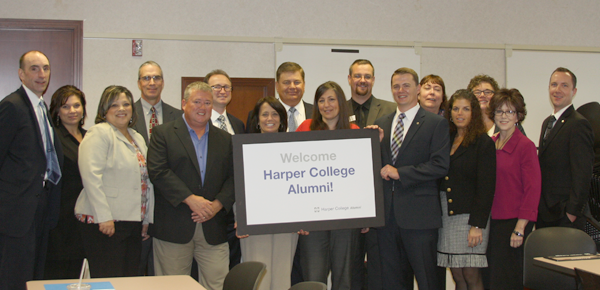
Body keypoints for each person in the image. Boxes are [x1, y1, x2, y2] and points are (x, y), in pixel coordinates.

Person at [147, 81, 234, 290]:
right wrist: (191, 199)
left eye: (207, 102)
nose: (202, 107)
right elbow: (158, 172)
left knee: (219, 284)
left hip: (213, 227)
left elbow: (234, 178)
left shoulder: (225, 139)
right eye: (197, 102)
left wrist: (217, 205)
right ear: (184, 103)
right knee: (172, 287)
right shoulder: (163, 133)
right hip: (173, 227)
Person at [374, 67, 450, 290]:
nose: (401, 90)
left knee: (428, 280)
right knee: (392, 282)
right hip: (387, 219)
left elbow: (440, 166)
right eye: (396, 86)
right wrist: (370, 143)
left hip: (420, 219)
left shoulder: (435, 123)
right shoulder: (382, 123)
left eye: (406, 85)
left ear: (417, 89)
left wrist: (402, 173)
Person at [74, 85, 154, 278]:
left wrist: (146, 219)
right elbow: (91, 177)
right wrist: (104, 217)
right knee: (108, 278)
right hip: (105, 222)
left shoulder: (137, 137)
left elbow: (147, 182)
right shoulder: (99, 133)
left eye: (126, 104)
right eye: (114, 105)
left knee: (129, 278)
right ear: (104, 110)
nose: (122, 109)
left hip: (132, 221)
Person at [0, 50, 63, 290]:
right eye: (34, 68)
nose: (41, 74)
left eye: (46, 68)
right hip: (15, 214)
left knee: (33, 277)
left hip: (40, 208)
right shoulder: (11, 106)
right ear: (21, 74)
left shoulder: (41, 107)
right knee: (13, 278)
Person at [295, 81, 361, 290]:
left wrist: (366, 213)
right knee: (313, 278)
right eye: (321, 100)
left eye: (331, 99)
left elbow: (361, 178)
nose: (326, 105)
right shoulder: (305, 128)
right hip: (312, 219)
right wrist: (298, 216)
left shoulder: (354, 131)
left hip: (345, 218)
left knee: (344, 278)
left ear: (341, 102)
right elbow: (294, 175)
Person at [437, 89, 495, 290]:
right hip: (447, 216)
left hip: (471, 218)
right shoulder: (447, 138)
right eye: (455, 108)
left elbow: (486, 187)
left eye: (465, 109)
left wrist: (477, 225)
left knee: (471, 273)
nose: (459, 113)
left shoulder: (483, 142)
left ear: (474, 113)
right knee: (457, 274)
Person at [346, 59, 396, 290]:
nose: (362, 80)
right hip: (347, 203)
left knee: (380, 268)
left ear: (374, 80)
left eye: (367, 76)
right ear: (349, 79)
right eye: (357, 75)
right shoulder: (337, 109)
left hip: (381, 201)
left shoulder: (390, 110)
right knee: (350, 268)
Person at [237, 96, 296, 290]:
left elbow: (302, 186)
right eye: (264, 114)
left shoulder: (294, 148)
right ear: (257, 119)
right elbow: (238, 185)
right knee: (258, 280)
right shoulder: (244, 147)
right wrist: (240, 217)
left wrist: (303, 218)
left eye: (275, 114)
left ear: (281, 119)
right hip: (255, 224)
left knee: (281, 279)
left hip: (286, 223)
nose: (270, 118)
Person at [487, 88, 541, 290]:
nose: (503, 116)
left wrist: (520, 229)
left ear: (518, 116)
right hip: (491, 223)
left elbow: (533, 189)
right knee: (491, 279)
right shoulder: (490, 144)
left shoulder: (525, 146)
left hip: (513, 224)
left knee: (507, 280)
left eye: (509, 112)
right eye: (499, 111)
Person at [133, 60, 181, 275]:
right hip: (136, 204)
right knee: (135, 267)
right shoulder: (126, 114)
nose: (152, 82)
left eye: (157, 78)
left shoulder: (179, 116)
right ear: (139, 83)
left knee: (162, 271)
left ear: (163, 82)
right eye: (146, 78)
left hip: (169, 205)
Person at [537, 67, 594, 230]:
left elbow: (582, 173)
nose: (557, 90)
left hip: (565, 215)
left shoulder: (578, 124)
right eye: (554, 84)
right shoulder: (547, 122)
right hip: (545, 213)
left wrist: (572, 212)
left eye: (564, 85)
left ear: (573, 91)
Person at [44, 85, 87, 279]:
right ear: (57, 111)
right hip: (60, 221)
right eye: (66, 107)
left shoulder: (90, 137)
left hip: (84, 219)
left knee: (77, 276)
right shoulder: (52, 138)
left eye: (76, 105)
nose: (72, 111)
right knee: (57, 277)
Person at [246, 62, 313, 132]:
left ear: (304, 85)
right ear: (277, 86)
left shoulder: (318, 114)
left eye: (297, 82)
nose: (292, 87)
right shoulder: (255, 115)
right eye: (286, 82)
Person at [206, 69, 245, 134]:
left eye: (226, 87)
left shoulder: (238, 124)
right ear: (206, 91)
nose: (223, 92)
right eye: (217, 87)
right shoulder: (199, 121)